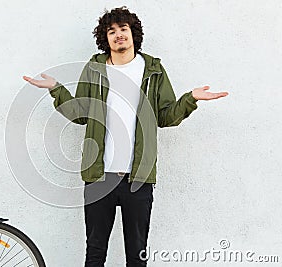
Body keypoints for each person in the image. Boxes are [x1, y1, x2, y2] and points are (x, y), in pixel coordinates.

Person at [23, 6, 228, 267]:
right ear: (105, 38)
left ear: (133, 33)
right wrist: (56, 89)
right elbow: (80, 114)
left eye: (123, 29)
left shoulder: (153, 70)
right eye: (112, 31)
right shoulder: (95, 68)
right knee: (95, 254)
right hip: (99, 177)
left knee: (137, 256)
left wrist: (190, 99)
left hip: (138, 179)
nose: (118, 34)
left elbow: (165, 117)